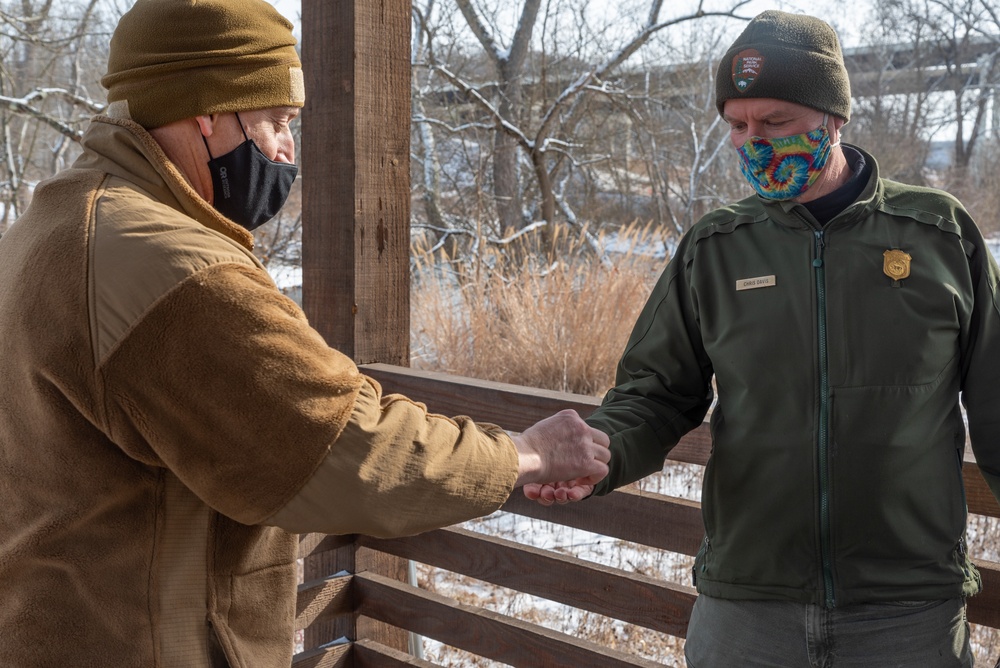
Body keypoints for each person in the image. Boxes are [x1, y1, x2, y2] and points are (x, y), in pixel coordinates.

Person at [0, 1, 610, 666]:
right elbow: (347, 451)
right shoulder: (173, 268)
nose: (288, 148)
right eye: (276, 120)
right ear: (206, 111)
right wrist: (527, 454)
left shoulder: (49, 227)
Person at [526, 10, 1000, 667]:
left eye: (776, 123)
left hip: (907, 610)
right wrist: (598, 453)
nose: (755, 142)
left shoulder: (939, 235)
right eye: (738, 125)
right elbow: (655, 397)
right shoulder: (715, 247)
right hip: (747, 607)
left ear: (834, 118)